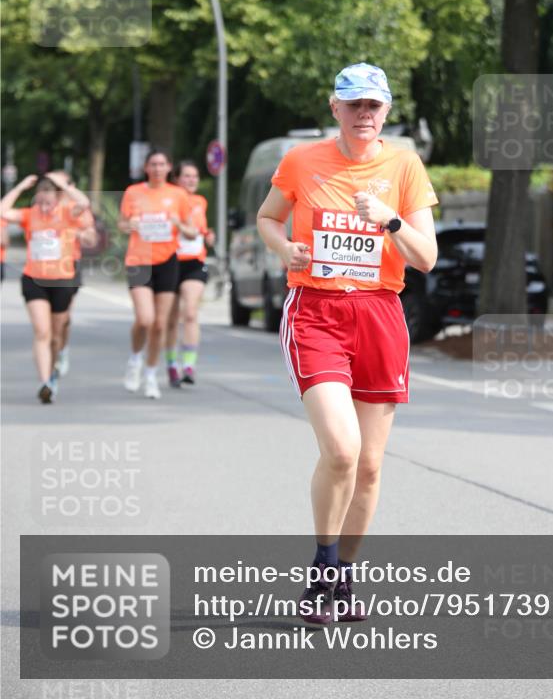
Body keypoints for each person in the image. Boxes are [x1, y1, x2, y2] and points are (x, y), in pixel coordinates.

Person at [256, 63, 438, 624]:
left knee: (371, 466)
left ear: (386, 112)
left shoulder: (404, 166)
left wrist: (388, 221)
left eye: (374, 106)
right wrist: (285, 251)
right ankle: (321, 572)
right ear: (334, 108)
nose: (365, 114)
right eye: (354, 104)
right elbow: (268, 218)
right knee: (341, 449)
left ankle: (342, 581)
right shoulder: (302, 161)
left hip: (380, 314)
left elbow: (426, 257)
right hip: (316, 310)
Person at [0, 172, 96, 403]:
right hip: (34, 279)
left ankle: (53, 370)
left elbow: (84, 203)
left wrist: (63, 184)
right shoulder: (29, 215)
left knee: (55, 335)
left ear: (57, 198)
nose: (44, 206)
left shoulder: (67, 213)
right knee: (42, 332)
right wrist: (20, 187)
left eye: (48, 202)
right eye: (40, 201)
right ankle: (45, 382)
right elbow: (2, 211)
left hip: (62, 279)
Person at [118, 149, 195, 400]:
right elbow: (121, 223)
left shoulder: (178, 195)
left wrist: (178, 224)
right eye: (154, 164)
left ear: (169, 167)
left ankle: (151, 375)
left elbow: (192, 232)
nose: (158, 168)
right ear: (146, 167)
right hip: (139, 260)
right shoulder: (134, 192)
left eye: (162, 164)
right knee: (145, 319)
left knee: (160, 324)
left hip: (167, 262)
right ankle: (135, 359)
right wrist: (129, 224)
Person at [164, 160, 216, 388]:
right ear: (176, 179)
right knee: (171, 318)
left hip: (194, 262)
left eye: (195, 176)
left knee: (191, 313)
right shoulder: (168, 200)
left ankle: (189, 366)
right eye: (187, 176)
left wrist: (208, 236)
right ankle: (172, 364)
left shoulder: (200, 202)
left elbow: (201, 228)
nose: (192, 180)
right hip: (169, 261)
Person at [53, 170, 97, 378]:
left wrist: (75, 233)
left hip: (69, 264)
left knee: (64, 317)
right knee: (48, 319)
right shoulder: (42, 205)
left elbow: (91, 240)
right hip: (42, 268)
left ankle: (62, 350)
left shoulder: (77, 209)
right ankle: (50, 353)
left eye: (59, 182)